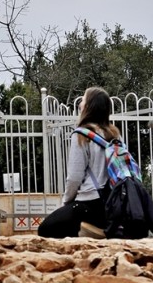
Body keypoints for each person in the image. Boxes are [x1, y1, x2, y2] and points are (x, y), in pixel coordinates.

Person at [37, 86, 118, 239]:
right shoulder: (114, 135)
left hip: (90, 204)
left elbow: (74, 177)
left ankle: (84, 236)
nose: (80, 103)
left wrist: (66, 201)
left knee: (45, 229)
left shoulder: (81, 135)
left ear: (89, 107)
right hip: (112, 203)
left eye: (83, 100)